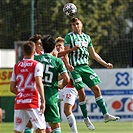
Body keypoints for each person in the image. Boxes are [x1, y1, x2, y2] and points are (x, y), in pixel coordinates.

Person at [63, 17, 120, 129]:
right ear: (71, 26)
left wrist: (105, 64)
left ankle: (105, 115)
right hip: (74, 68)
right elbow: (65, 53)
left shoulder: (87, 37)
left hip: (85, 67)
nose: (76, 26)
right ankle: (86, 118)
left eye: (77, 24)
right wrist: (68, 65)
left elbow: (93, 54)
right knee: (81, 92)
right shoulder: (69, 36)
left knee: (97, 89)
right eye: (73, 24)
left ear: (82, 24)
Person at [34, 35, 70, 133]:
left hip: (37, 99)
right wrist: (60, 86)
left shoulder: (36, 59)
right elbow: (67, 78)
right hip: (51, 98)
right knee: (56, 127)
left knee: (35, 127)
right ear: (54, 47)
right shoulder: (57, 61)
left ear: (42, 46)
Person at [10, 41, 46, 133]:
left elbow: (12, 88)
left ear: (23, 51)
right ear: (34, 52)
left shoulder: (16, 66)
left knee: (18, 130)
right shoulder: (37, 64)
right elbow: (38, 82)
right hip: (33, 101)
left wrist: (22, 94)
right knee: (41, 129)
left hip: (20, 101)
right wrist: (43, 100)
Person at [24, 34, 52, 133]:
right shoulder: (34, 58)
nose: (42, 45)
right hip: (36, 93)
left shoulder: (39, 55)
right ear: (34, 45)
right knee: (37, 125)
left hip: (39, 92)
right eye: (39, 44)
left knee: (35, 123)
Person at [55, 37, 79, 133]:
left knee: (67, 110)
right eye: (56, 46)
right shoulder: (56, 58)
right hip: (61, 87)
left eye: (60, 46)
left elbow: (66, 75)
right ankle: (54, 129)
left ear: (64, 47)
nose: (58, 47)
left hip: (70, 86)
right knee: (49, 104)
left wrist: (55, 80)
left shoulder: (69, 57)